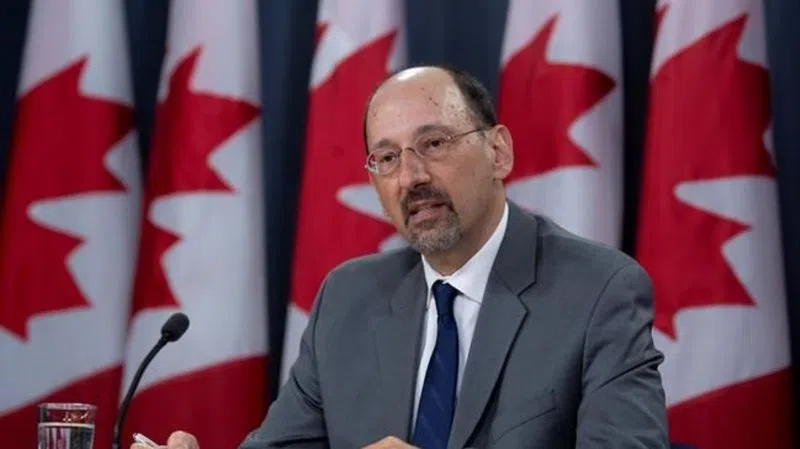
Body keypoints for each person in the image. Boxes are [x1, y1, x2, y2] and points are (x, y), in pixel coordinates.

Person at [134, 65, 669, 449]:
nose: (410, 177)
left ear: (498, 152)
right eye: (386, 157)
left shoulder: (597, 290)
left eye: (434, 144)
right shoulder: (349, 297)